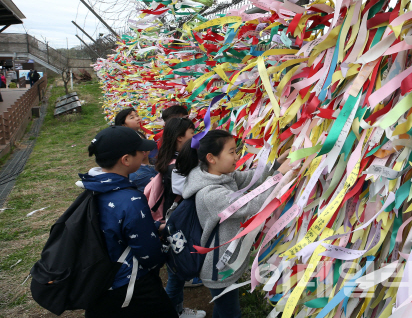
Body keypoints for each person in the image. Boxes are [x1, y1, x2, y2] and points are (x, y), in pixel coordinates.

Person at [177, 130, 292, 318]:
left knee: (224, 309)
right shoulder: (210, 194)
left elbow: (250, 179)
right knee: (231, 312)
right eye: (231, 152)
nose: (237, 156)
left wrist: (276, 165)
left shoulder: (219, 175)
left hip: (226, 261)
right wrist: (281, 176)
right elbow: (251, 203)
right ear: (211, 158)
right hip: (217, 267)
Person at [82, 126, 177, 318]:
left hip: (101, 281)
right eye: (140, 151)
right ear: (125, 160)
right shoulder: (131, 199)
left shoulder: (95, 187)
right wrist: (163, 255)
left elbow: (116, 225)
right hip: (130, 285)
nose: (145, 153)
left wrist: (153, 226)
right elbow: (148, 253)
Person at [154, 118, 204, 318]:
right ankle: (173, 311)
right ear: (180, 137)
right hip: (176, 224)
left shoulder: (171, 159)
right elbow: (186, 191)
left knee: (176, 271)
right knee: (175, 275)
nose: (196, 136)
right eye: (192, 132)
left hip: (174, 222)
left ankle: (177, 309)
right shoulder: (177, 165)